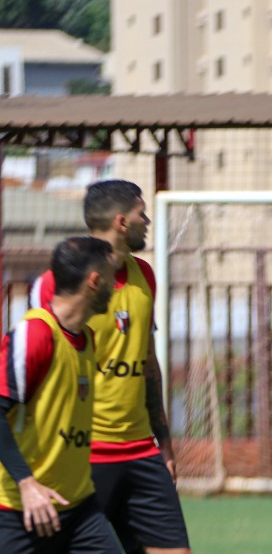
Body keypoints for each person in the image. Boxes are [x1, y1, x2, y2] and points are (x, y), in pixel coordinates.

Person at [31, 180, 191, 554]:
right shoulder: (58, 283)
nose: (147, 220)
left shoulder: (145, 275)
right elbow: (41, 370)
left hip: (140, 451)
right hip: (84, 455)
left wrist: (164, 444)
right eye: (141, 213)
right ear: (122, 222)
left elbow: (148, 365)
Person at [0, 236, 123, 553]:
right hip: (18, 512)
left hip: (79, 509)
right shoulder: (36, 334)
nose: (116, 287)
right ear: (94, 281)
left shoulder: (87, 338)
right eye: (111, 278)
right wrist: (27, 484)